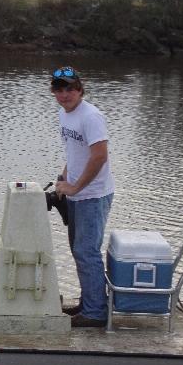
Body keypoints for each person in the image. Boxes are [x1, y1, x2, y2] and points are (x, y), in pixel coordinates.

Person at [51, 67, 115, 328]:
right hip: (76, 193)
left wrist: (76, 188)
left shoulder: (91, 117)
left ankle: (96, 312)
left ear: (79, 90)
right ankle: (89, 302)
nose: (65, 95)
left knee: (87, 251)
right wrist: (64, 180)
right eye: (59, 90)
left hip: (93, 195)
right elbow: (74, 153)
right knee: (79, 251)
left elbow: (100, 156)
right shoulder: (64, 114)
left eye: (70, 89)